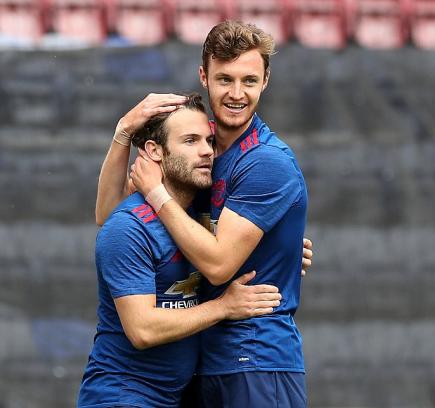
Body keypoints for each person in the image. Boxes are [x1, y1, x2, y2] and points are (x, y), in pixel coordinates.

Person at [128, 21, 309, 407]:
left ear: (266, 81)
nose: (237, 94)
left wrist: (157, 194)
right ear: (203, 77)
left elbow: (218, 265)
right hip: (201, 361)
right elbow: (113, 214)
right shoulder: (198, 151)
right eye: (225, 79)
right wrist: (123, 132)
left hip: (256, 359)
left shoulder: (266, 162)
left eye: (249, 80)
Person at [77, 93, 283, 407]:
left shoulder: (190, 219)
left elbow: (225, 252)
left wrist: (283, 252)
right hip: (121, 397)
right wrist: (223, 308)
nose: (205, 151)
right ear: (154, 152)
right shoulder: (129, 227)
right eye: (190, 141)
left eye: (209, 141)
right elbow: (142, 330)